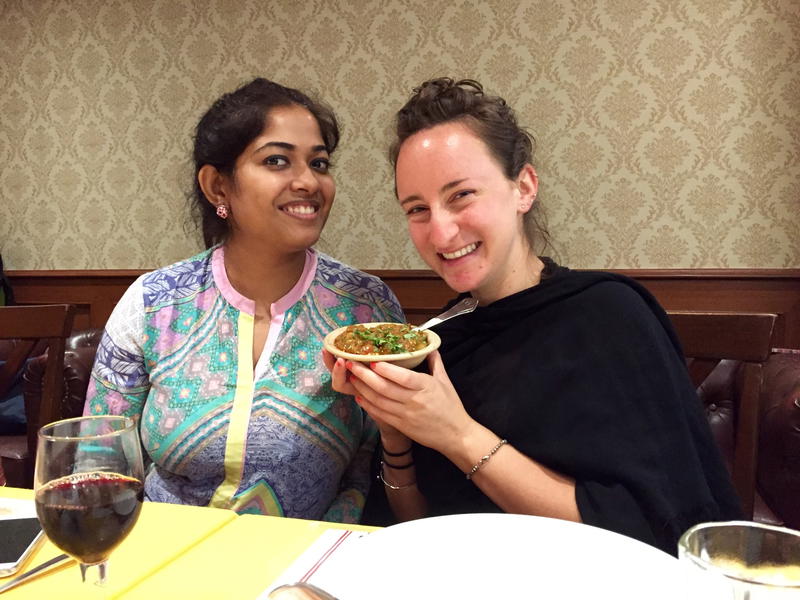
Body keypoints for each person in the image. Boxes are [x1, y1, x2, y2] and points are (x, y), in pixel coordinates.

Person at [324, 78, 741, 553]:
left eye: (461, 195)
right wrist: (396, 429)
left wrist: (457, 434)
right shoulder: (436, 337)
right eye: (417, 209)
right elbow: (418, 527)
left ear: (523, 187)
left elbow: (646, 537)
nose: (440, 232)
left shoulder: (608, 316)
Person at [84, 78, 403, 523]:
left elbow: (378, 461)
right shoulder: (153, 305)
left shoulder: (365, 308)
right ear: (218, 186)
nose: (308, 181)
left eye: (319, 163)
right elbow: (98, 463)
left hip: (313, 565)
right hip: (168, 563)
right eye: (277, 160)